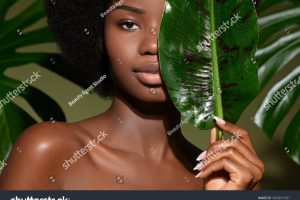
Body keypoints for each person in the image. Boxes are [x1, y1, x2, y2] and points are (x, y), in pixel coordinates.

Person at [0, 0, 264, 190]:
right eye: (128, 24)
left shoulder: (226, 176)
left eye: (174, 28)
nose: (151, 45)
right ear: (99, 37)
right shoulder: (50, 150)